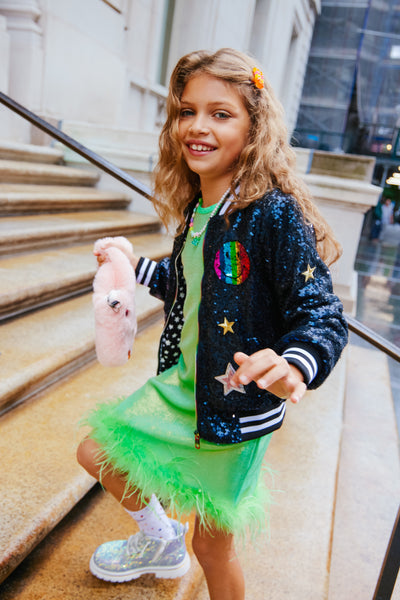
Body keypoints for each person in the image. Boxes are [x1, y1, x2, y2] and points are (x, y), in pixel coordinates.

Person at [77, 48, 348, 600]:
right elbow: (192, 283)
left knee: (214, 548)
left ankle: (177, 548)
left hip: (236, 410)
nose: (197, 127)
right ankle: (158, 539)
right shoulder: (200, 209)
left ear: (254, 128)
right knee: (97, 453)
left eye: (220, 113)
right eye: (186, 111)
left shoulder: (272, 213)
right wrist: (133, 268)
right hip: (184, 388)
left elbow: (320, 310)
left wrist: (294, 362)